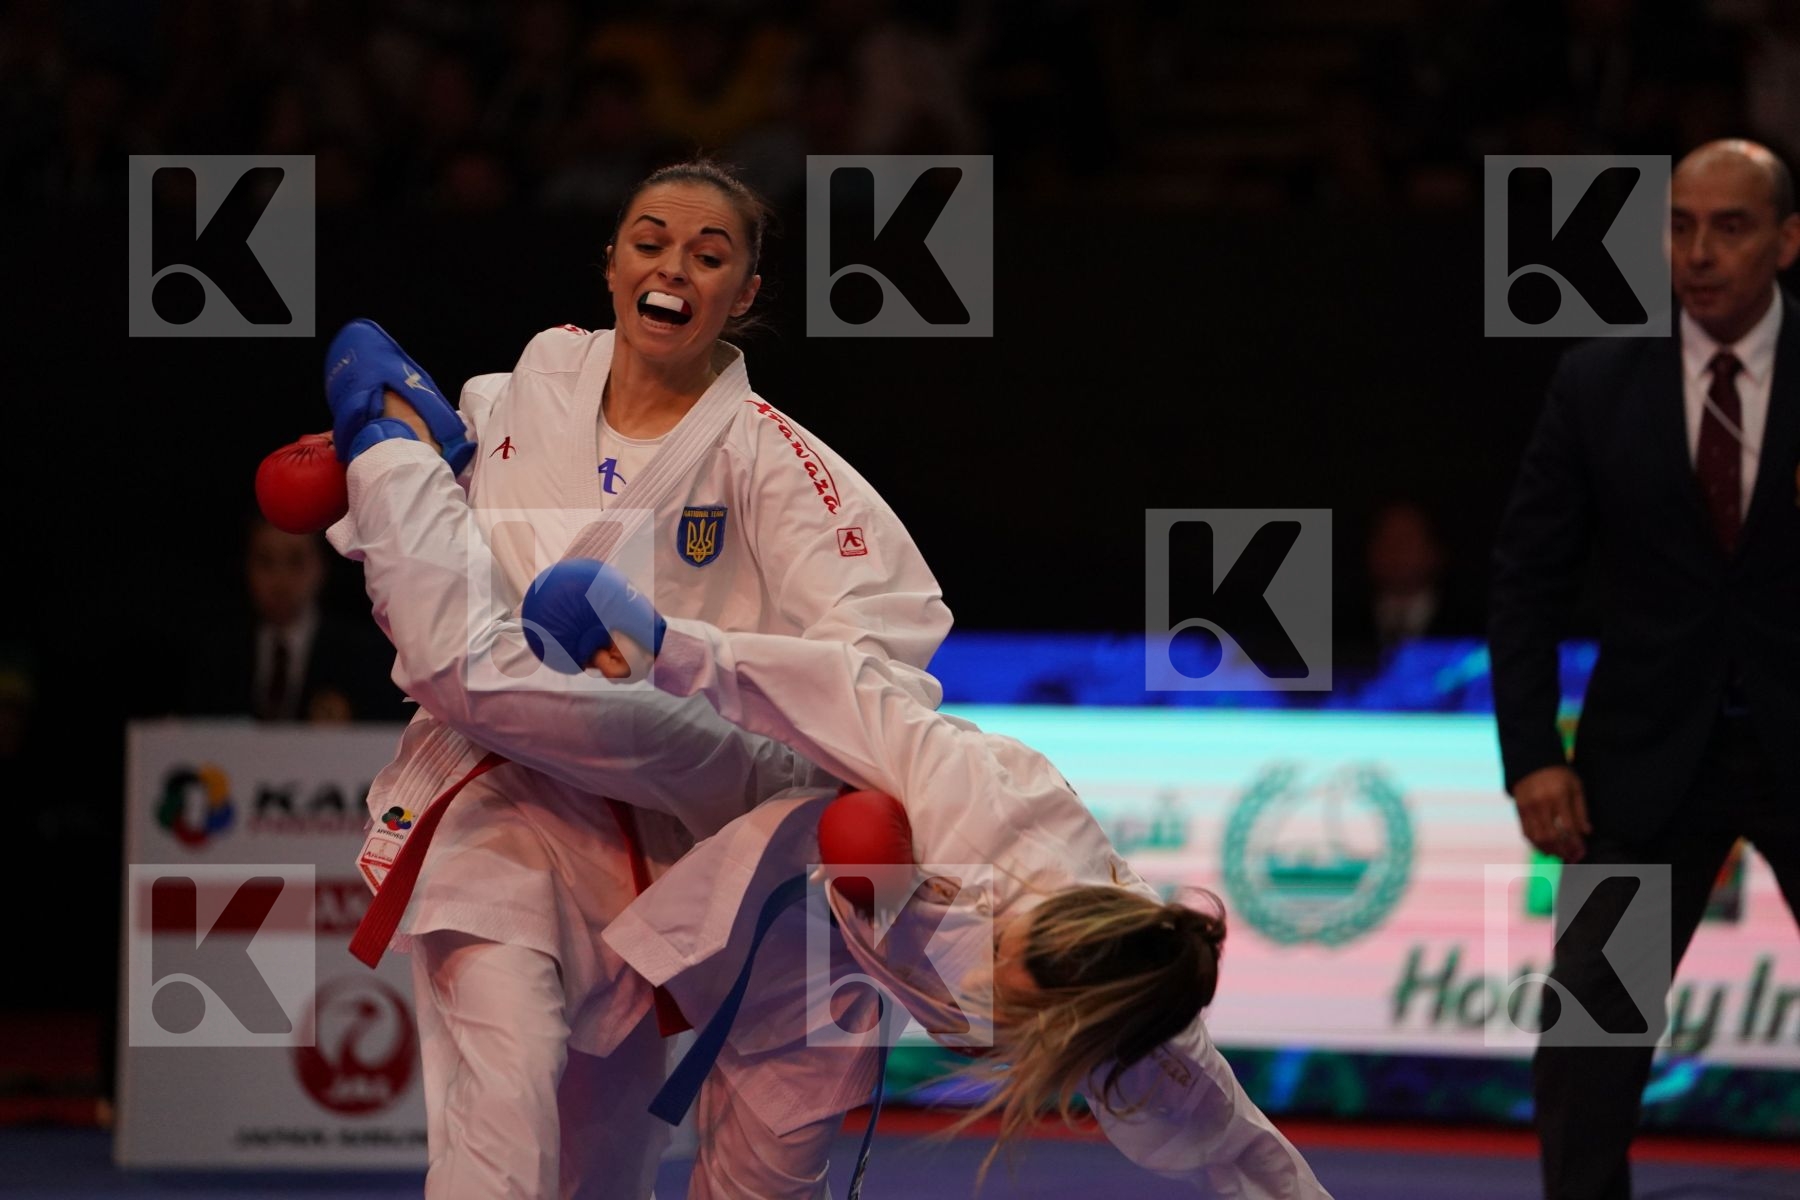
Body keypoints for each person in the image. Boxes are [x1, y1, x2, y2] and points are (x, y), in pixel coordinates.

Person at [324, 157, 950, 1198]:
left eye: (709, 256)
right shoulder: (524, 386)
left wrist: (380, 449)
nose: (673, 268)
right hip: (498, 803)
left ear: (744, 295)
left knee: (603, 1168)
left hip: (648, 829)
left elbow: (881, 638)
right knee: (501, 1108)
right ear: (611, 261)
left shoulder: (770, 457)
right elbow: (437, 527)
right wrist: (376, 466)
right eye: (651, 242)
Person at [520, 558, 1336, 1198]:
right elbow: (842, 695)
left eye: (1019, 996)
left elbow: (1252, 1159)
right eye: (1009, 953)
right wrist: (664, 643)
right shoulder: (983, 806)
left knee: (767, 1176)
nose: (995, 974)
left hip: (849, 980)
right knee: (591, 1056)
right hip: (807, 881)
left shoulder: (1146, 1047)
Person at [1489, 138, 1800, 1200]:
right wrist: (1533, 754)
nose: (1698, 252)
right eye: (1680, 226)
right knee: (1590, 1041)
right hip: (1647, 759)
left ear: (1787, 241)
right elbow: (1526, 579)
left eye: (1730, 227)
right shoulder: (1597, 380)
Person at [180, 515, 408, 723]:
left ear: (320, 567)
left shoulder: (361, 658)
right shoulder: (218, 656)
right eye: (265, 561)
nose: (280, 580)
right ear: (246, 568)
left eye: (295, 561)